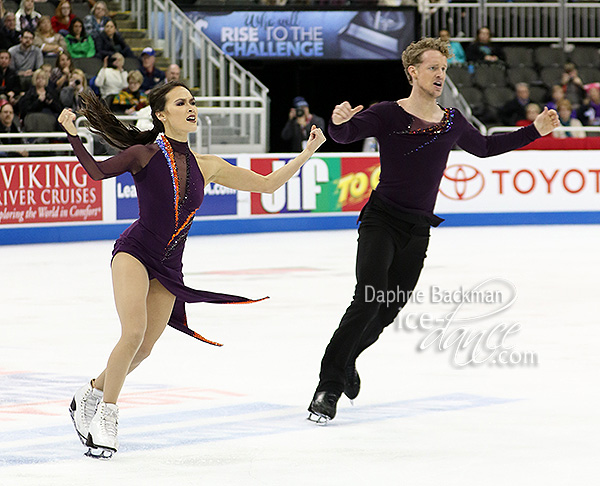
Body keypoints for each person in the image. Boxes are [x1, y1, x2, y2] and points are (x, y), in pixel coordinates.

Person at [58, 81, 326, 458]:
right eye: (181, 102)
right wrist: (73, 135)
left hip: (170, 266)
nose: (191, 107)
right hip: (134, 253)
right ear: (162, 114)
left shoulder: (209, 165)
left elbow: (267, 186)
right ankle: (107, 414)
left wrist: (307, 152)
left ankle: (89, 392)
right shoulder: (143, 154)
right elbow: (97, 172)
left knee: (146, 347)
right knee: (133, 333)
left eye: (193, 102)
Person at [306, 37, 559, 424]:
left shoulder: (452, 121)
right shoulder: (388, 113)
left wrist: (534, 130)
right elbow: (343, 136)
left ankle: (349, 358)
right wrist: (336, 122)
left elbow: (486, 147)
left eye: (443, 69)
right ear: (413, 72)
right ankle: (328, 387)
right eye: (432, 68)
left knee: (388, 309)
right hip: (382, 221)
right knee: (367, 300)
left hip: (418, 229)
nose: (440, 74)